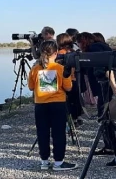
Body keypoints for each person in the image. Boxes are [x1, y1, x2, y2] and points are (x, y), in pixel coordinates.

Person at [76, 32, 116, 166]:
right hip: (110, 86)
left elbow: (107, 67)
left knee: (108, 119)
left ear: (83, 41)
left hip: (110, 86)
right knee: (104, 117)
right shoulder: (100, 46)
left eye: (77, 42)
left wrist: (113, 85)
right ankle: (110, 147)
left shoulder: (95, 48)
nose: (77, 45)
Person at [28, 40, 78, 171]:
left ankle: (44, 161)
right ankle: (58, 162)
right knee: (58, 133)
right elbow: (68, 88)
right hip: (57, 104)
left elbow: (31, 86)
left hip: (40, 105)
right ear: (56, 53)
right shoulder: (61, 69)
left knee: (42, 133)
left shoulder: (35, 69)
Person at [56, 33, 83, 127]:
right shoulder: (74, 51)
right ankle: (77, 118)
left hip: (66, 79)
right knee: (76, 100)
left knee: (68, 102)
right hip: (75, 79)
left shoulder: (61, 53)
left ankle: (70, 121)